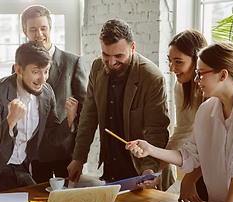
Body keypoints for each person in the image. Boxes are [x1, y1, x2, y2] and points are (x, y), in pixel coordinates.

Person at [126, 41, 233, 202]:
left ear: (223, 75)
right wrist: (151, 149)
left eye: (200, 73)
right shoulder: (206, 110)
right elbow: (189, 155)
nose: (196, 80)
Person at [67, 19, 170, 188]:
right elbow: (88, 116)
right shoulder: (97, 68)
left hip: (142, 171)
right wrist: (78, 157)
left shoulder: (152, 77)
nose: (112, 62)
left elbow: (157, 131)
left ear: (133, 48)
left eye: (119, 56)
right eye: (106, 55)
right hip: (112, 168)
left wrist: (149, 169)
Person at [0, 41, 78, 195]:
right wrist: (11, 121)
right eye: (36, 72)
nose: (43, 79)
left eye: (46, 71)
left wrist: (70, 119)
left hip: (22, 168)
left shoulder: (46, 93)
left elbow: (54, 137)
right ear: (18, 69)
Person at [15, 5, 88, 183]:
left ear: (50, 29)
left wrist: (79, 154)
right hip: (34, 153)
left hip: (65, 150)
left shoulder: (72, 62)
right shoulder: (20, 65)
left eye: (43, 28)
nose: (39, 34)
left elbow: (85, 111)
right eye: (33, 29)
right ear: (25, 32)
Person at [158, 30, 207, 192]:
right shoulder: (180, 88)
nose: (172, 68)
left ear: (197, 60)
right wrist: (155, 170)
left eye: (178, 62)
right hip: (200, 168)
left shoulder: (213, 91)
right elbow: (182, 132)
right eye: (170, 61)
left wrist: (191, 177)